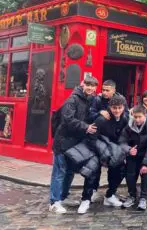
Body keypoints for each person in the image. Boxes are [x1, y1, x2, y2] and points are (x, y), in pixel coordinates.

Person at [49, 76, 98, 214]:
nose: (90, 88)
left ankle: (62, 198)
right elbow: (67, 119)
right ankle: (54, 202)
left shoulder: (89, 100)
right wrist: (85, 127)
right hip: (62, 141)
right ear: (83, 84)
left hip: (73, 142)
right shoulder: (73, 99)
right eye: (88, 85)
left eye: (93, 86)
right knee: (60, 172)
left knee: (69, 172)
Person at [89, 79, 129, 201]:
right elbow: (90, 115)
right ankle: (93, 190)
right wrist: (100, 113)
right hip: (100, 138)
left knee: (117, 168)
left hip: (115, 140)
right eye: (103, 90)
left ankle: (111, 193)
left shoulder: (121, 100)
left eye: (107, 90)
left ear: (113, 90)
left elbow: (125, 115)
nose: (104, 92)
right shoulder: (97, 99)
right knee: (95, 168)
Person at [119, 105, 147, 210]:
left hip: (145, 155)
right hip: (132, 154)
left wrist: (146, 163)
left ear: (145, 115)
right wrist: (128, 149)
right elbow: (122, 141)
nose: (137, 119)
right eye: (135, 117)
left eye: (140, 117)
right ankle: (132, 195)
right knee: (130, 174)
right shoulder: (128, 126)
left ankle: (143, 197)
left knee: (144, 172)